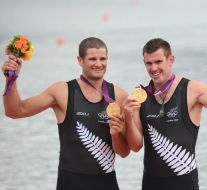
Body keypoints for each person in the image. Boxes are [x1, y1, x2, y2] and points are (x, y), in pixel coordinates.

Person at [2, 37, 130, 190]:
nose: (98, 64)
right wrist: (11, 78)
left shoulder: (120, 96)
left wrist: (115, 134)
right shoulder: (62, 92)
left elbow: (124, 152)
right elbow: (15, 111)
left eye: (102, 59)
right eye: (92, 59)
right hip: (70, 183)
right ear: (80, 60)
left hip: (106, 183)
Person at [123, 38, 207, 190]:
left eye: (158, 62)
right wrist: (128, 117)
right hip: (150, 183)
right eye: (148, 63)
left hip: (184, 183)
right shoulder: (140, 96)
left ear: (171, 59)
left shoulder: (193, 90)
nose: (153, 68)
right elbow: (136, 146)